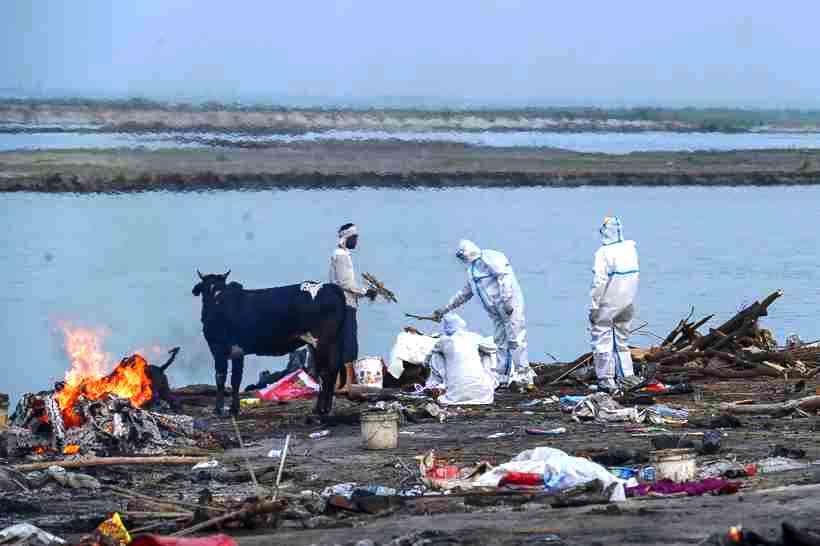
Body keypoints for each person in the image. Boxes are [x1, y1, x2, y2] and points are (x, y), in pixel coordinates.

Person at [433, 239, 533, 389]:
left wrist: (507, 301)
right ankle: (502, 376)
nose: (462, 259)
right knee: (500, 341)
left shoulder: (489, 257)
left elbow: (504, 277)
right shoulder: (472, 271)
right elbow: (464, 294)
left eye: (462, 255)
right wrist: (445, 309)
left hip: (509, 307)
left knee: (515, 340)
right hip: (496, 312)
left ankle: (524, 376)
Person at [589, 216, 640, 393]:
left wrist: (594, 306)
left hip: (609, 301)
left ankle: (606, 379)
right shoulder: (630, 248)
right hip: (628, 301)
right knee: (621, 340)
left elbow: (599, 282)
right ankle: (627, 376)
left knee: (601, 338)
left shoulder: (603, 253)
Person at [329, 223, 377, 391]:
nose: (356, 241)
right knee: (348, 345)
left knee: (343, 344)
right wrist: (366, 292)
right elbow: (346, 283)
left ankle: (340, 384)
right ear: (346, 238)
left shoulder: (341, 254)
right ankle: (346, 385)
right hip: (344, 305)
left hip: (342, 304)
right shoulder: (341, 255)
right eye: (354, 238)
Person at [427, 313, 497, 405]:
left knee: (436, 355)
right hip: (483, 395)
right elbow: (493, 348)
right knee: (487, 354)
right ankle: (486, 382)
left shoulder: (443, 341)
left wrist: (425, 363)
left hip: (455, 395)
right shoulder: (474, 337)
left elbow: (429, 355)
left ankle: (440, 383)